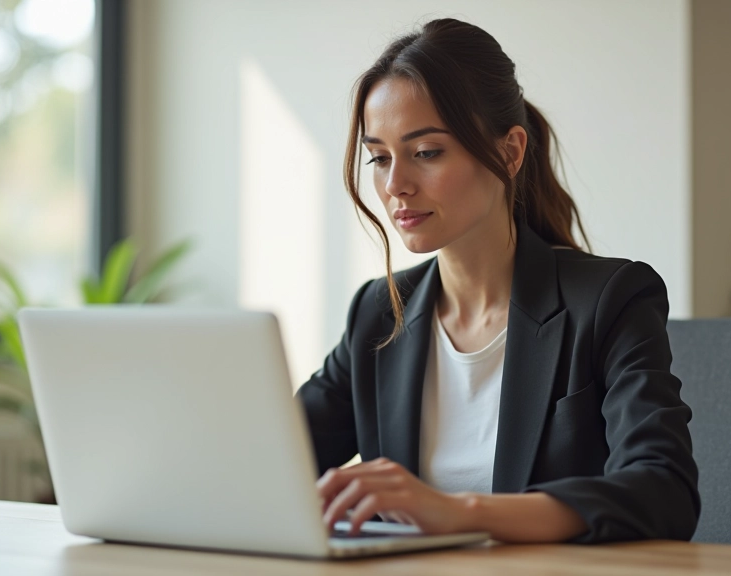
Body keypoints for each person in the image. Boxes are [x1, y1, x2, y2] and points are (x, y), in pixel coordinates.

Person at [294, 18, 699, 544]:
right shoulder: (379, 313)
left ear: (509, 152)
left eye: (426, 152)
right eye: (379, 157)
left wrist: (460, 512)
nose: (395, 184)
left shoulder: (609, 300)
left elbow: (663, 491)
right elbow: (269, 464)